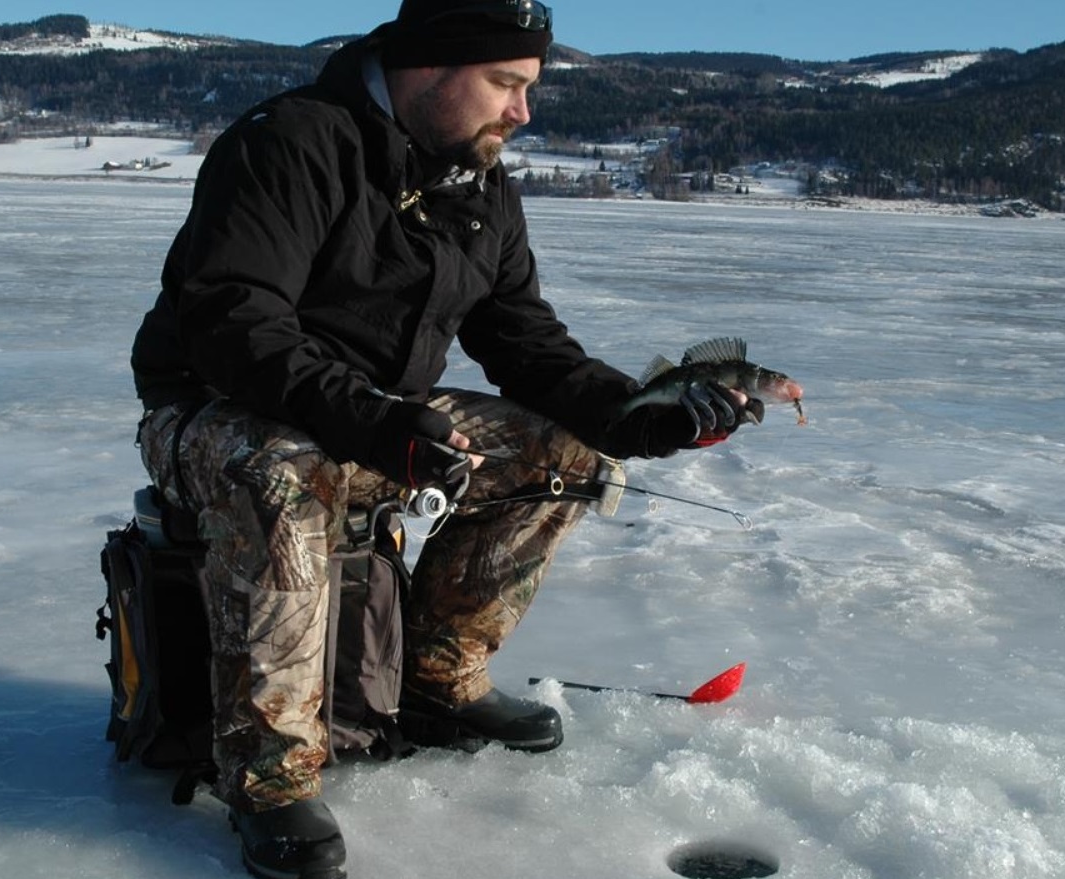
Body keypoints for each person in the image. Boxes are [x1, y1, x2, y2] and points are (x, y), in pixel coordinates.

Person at [129, 1, 752, 876]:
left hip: (375, 416)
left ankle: (434, 678)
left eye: (528, 88)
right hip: (209, 412)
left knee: (565, 451)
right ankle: (268, 776)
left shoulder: (479, 183)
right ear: (428, 67)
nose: (521, 113)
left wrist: (635, 413)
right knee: (286, 469)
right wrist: (374, 420)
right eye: (505, 84)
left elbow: (525, 342)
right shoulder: (292, 143)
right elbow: (233, 320)